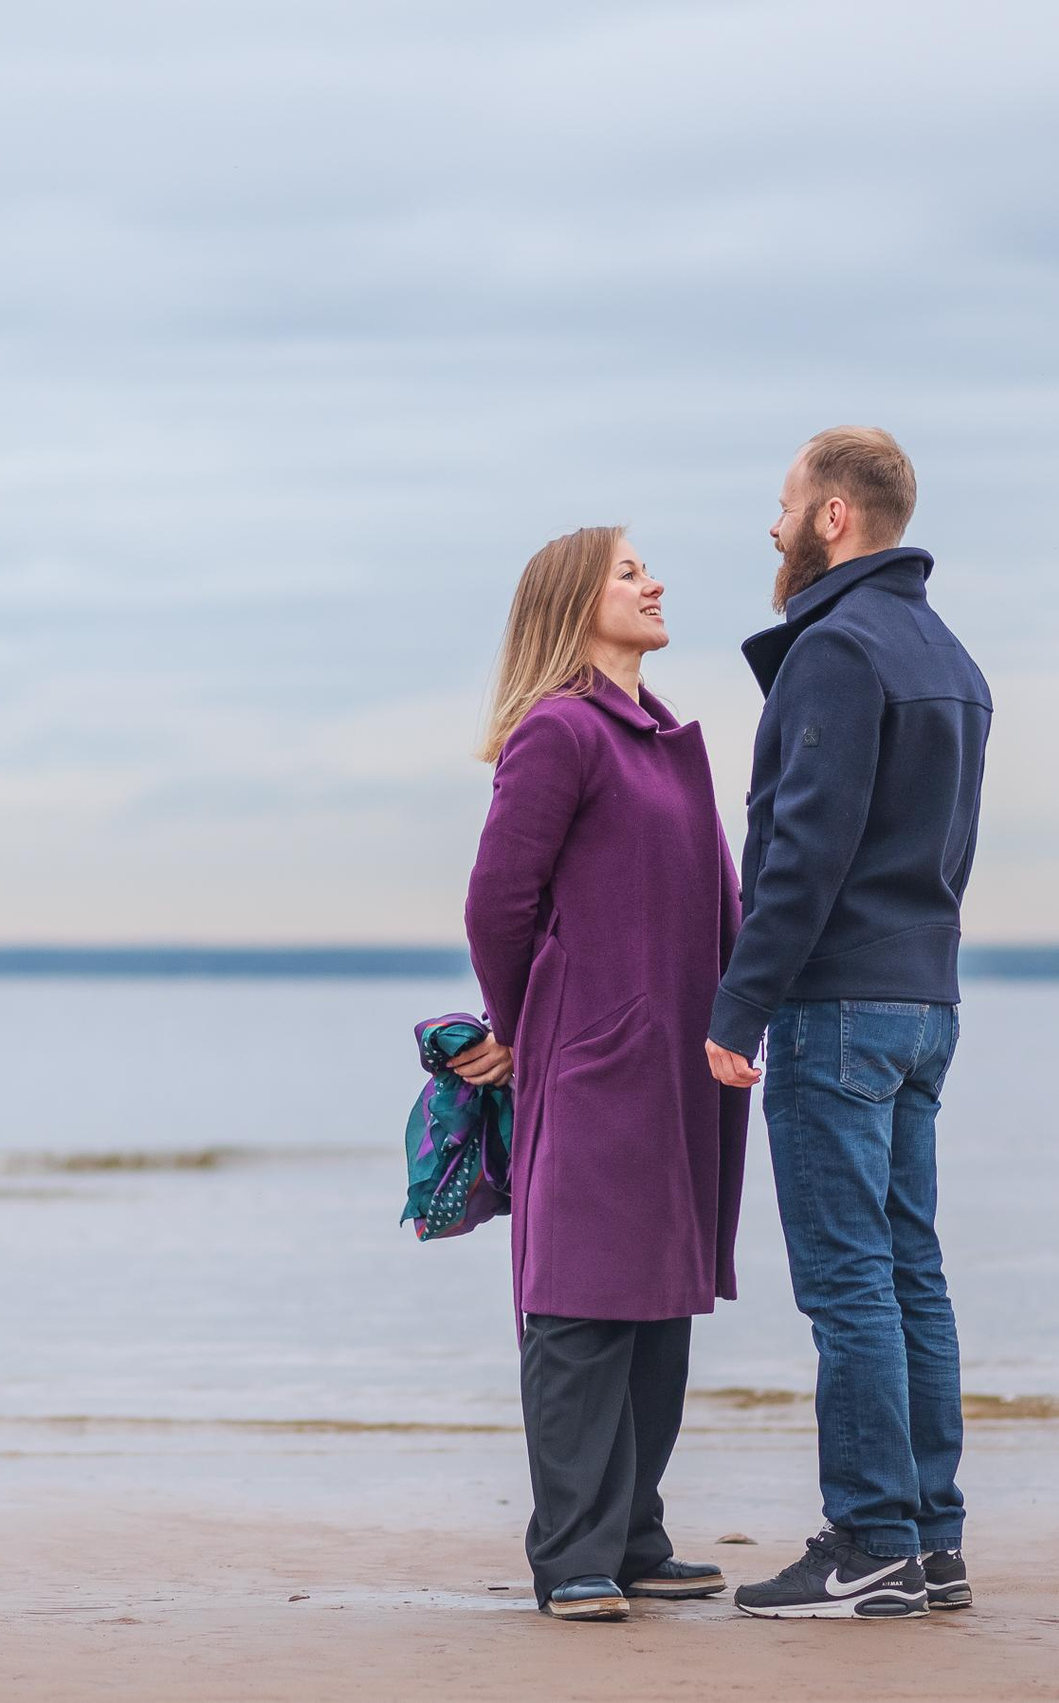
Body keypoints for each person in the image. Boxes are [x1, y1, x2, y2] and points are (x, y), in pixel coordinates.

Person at [705, 427, 991, 1620]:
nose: (768, 528)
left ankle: (870, 1535)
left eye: (782, 506)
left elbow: (803, 845)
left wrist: (739, 1000)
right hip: (924, 999)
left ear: (833, 518)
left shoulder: (839, 646)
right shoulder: (950, 655)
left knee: (848, 1284)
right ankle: (930, 1538)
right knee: (908, 1269)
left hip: (834, 1005)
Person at [453, 526, 751, 1622]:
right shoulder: (559, 730)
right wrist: (526, 1028)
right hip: (589, 1055)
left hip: (681, 1059)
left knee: (658, 1297)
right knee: (580, 1300)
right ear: (576, 600)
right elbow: (496, 902)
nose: (654, 581)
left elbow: (716, 900)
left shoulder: (665, 735)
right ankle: (570, 1552)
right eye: (629, 570)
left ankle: (632, 1533)